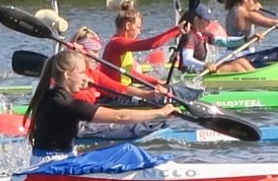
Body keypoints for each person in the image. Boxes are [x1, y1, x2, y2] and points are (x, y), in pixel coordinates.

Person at [24, 49, 177, 162]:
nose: (86, 78)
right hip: (53, 166)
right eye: (82, 73)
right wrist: (160, 113)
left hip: (48, 161)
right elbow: (120, 116)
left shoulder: (52, 96)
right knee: (126, 151)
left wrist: (151, 97)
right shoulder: (67, 104)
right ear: (66, 74)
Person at [101, 1, 182, 88]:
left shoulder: (125, 47)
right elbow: (151, 45)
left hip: (125, 90)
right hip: (114, 96)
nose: (139, 32)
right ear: (128, 26)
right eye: (138, 27)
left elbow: (131, 74)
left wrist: (157, 82)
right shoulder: (117, 43)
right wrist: (176, 30)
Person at [178, 4, 260, 74]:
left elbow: (225, 42)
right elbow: (187, 60)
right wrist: (204, 66)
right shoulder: (190, 36)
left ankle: (258, 77)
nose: (209, 23)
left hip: (202, 69)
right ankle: (253, 82)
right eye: (206, 20)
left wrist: (246, 39)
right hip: (191, 73)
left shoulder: (203, 34)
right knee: (236, 68)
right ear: (196, 20)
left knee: (242, 61)